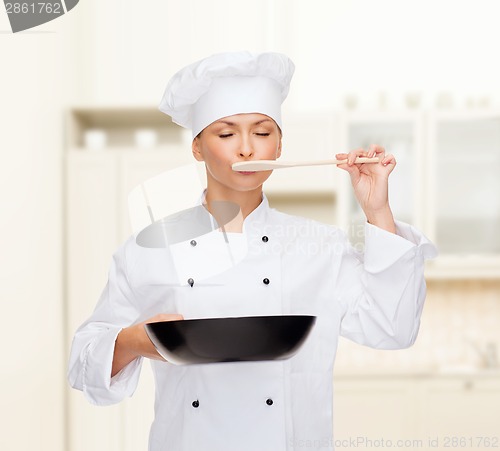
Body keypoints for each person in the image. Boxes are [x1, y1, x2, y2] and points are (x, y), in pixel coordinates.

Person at [68, 51, 437, 450]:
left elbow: (394, 329)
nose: (246, 149)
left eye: (262, 133)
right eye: (225, 134)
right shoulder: (151, 249)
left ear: (279, 146)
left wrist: (376, 209)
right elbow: (82, 362)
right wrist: (136, 342)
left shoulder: (320, 247)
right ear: (197, 147)